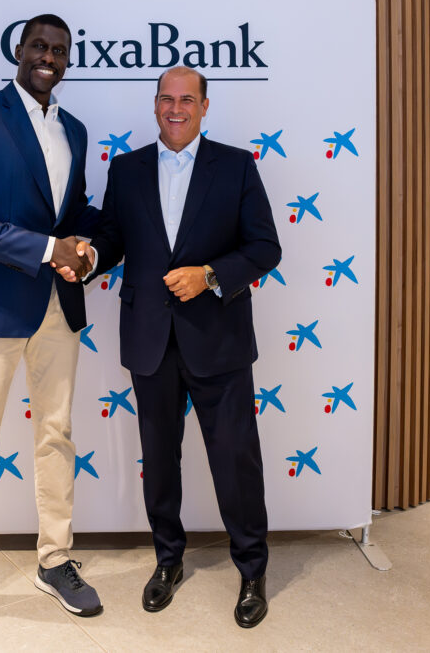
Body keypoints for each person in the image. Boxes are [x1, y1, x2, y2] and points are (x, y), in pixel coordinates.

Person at [57, 66, 281, 628]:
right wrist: (86, 261)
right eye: (166, 99)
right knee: (160, 461)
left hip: (220, 342)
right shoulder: (126, 168)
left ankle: (252, 569)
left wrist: (209, 274)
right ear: (154, 105)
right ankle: (167, 561)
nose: (175, 108)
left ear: (205, 107)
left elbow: (265, 247)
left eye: (187, 99)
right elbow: (113, 238)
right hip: (150, 340)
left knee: (235, 459)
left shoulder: (236, 166)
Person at [0, 13, 100, 642]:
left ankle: (55, 561)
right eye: (40, 45)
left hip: (61, 309)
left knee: (56, 437)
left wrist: (87, 251)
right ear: (20, 49)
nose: (49, 57)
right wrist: (46, 248)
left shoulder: (77, 131)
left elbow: (77, 211)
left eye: (60, 50)